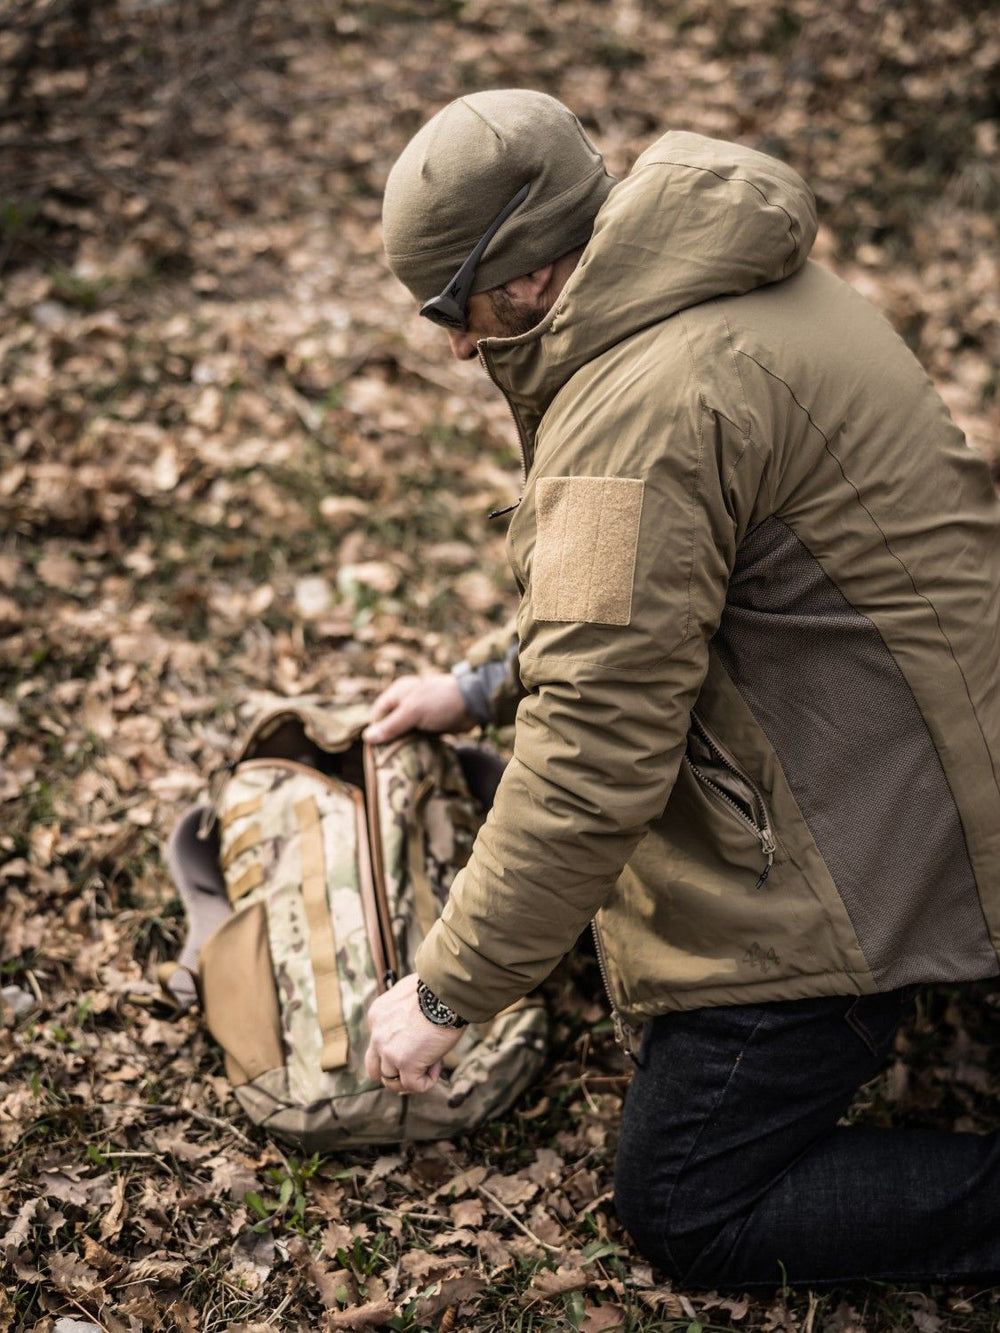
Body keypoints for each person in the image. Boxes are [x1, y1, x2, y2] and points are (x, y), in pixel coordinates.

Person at [363, 89, 1000, 1287]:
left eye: (456, 305)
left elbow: (596, 752)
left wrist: (447, 995)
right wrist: (480, 686)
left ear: (527, 272)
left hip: (877, 844)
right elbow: (667, 601)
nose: (452, 345)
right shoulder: (725, 285)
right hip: (923, 744)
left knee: (688, 1203)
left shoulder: (639, 412)